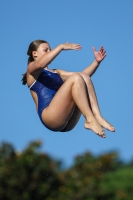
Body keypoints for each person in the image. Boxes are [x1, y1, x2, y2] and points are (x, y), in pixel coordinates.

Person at [22, 40, 115, 138]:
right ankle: (89, 119)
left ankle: (97, 116)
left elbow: (83, 77)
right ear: (34, 53)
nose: (49, 52)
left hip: (68, 122)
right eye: (46, 50)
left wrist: (96, 62)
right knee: (76, 78)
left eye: (50, 49)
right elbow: (40, 64)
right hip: (50, 117)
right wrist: (61, 46)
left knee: (82, 76)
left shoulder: (56, 72)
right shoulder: (31, 70)